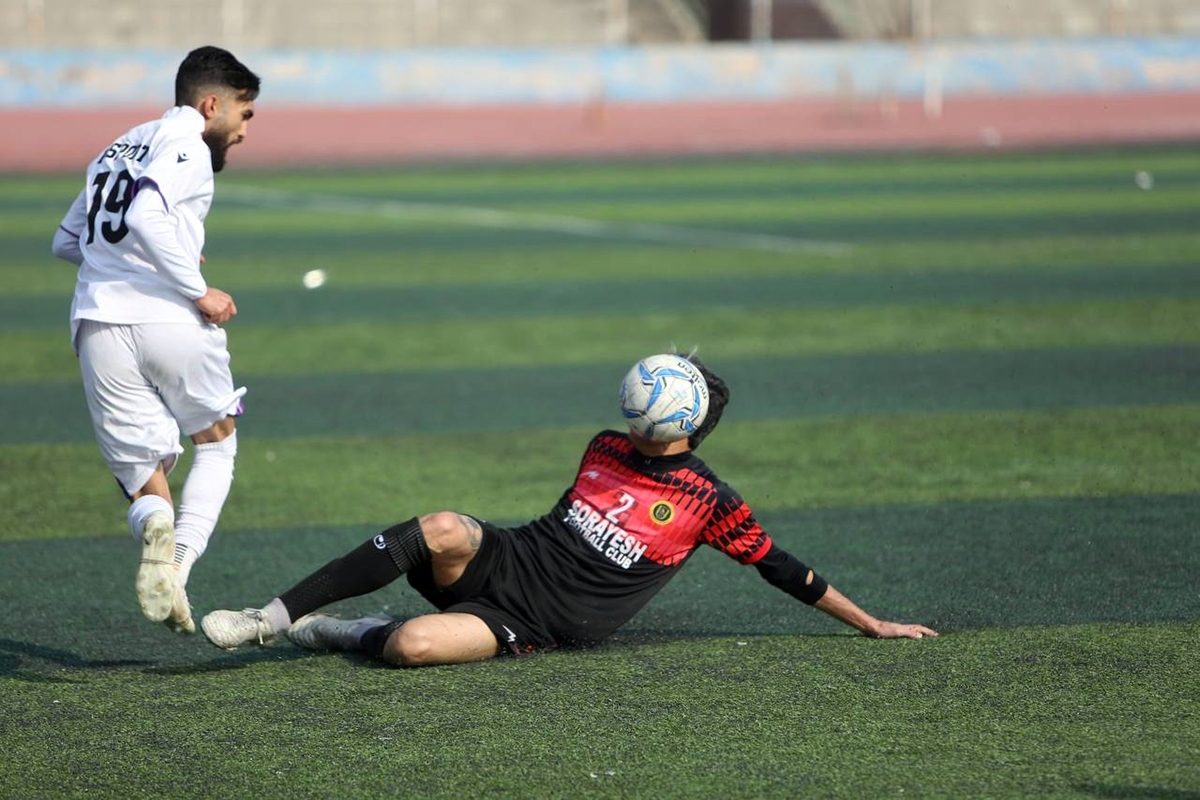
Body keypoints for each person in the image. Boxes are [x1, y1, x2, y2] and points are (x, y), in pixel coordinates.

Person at [202, 353, 938, 664]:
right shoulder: (605, 445)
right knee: (442, 526)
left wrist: (872, 624)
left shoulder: (709, 501)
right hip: (513, 557)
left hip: (541, 621)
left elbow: (785, 570)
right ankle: (268, 616)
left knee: (413, 648)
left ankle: (340, 630)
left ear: (682, 422)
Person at [50, 46, 261, 635]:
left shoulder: (116, 147)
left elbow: (68, 242)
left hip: (98, 326)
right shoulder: (189, 143)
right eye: (244, 113)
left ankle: (155, 533)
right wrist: (196, 287)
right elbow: (145, 215)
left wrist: (122, 268)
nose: (245, 130)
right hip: (170, 321)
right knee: (216, 445)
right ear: (211, 103)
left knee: (143, 477)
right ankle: (179, 569)